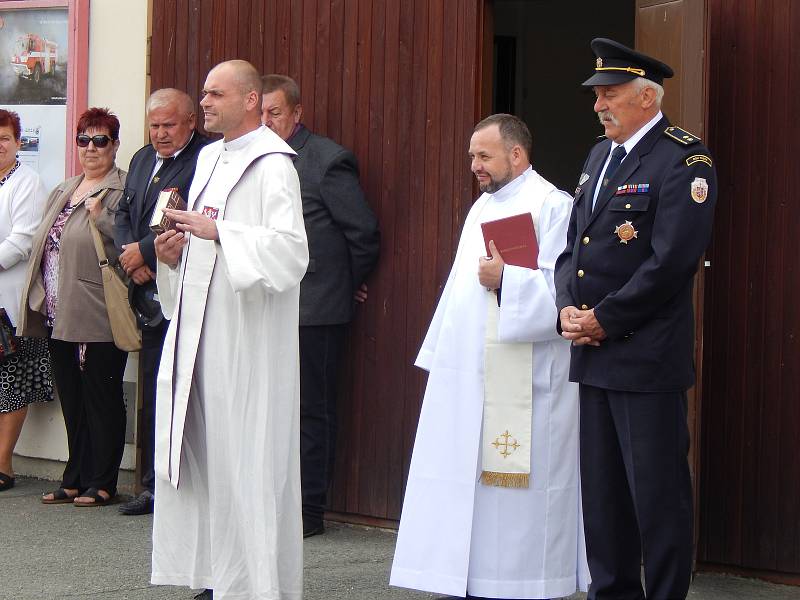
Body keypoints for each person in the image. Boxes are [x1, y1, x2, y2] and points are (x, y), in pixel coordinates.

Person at [391, 114, 588, 600]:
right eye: (472, 157)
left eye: (484, 156)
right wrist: (444, 357)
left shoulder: (552, 205)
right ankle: (480, 581)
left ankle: (530, 584)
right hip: (475, 376)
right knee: (474, 491)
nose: (475, 166)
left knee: (522, 497)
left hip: (530, 382)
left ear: (516, 154)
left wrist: (509, 283)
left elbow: (566, 292)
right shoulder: (483, 207)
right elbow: (461, 290)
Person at [554, 38, 717, 600]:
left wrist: (604, 317)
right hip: (593, 354)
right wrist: (566, 308)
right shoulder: (600, 156)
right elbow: (575, 244)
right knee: (602, 498)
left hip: (644, 356)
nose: (600, 105)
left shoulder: (683, 158)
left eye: (611, 93)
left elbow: (671, 262)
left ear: (647, 97)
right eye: (597, 95)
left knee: (657, 496)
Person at [150, 60, 307, 600]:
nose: (205, 101)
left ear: (249, 100)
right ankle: (213, 578)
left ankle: (254, 586)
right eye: (204, 91)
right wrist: (173, 258)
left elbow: (290, 254)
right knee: (206, 457)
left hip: (247, 339)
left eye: (216, 93)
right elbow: (200, 244)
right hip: (200, 333)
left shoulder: (274, 165)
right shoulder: (210, 158)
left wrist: (220, 232)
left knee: (245, 458)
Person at [261, 74, 380, 538]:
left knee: (312, 410)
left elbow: (363, 233)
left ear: (296, 114)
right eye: (262, 114)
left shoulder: (327, 161)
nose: (268, 122)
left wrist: (344, 284)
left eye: (276, 113)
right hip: (267, 305)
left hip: (315, 310)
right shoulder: (258, 161)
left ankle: (309, 511)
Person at [18, 107, 129, 507]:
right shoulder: (65, 188)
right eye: (84, 140)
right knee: (72, 397)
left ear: (115, 145)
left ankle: (103, 481)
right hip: (56, 309)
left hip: (97, 309)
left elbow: (128, 250)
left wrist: (101, 220)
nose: (91, 148)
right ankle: (74, 476)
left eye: (100, 140)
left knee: (101, 395)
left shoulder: (122, 191)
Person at [114, 88, 210, 516]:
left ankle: (176, 485)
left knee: (181, 394)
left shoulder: (205, 159)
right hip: (144, 293)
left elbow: (194, 218)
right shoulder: (140, 159)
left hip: (180, 291)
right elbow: (122, 214)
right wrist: (129, 255)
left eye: (169, 124)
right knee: (154, 390)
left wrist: (147, 253)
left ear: (191, 121)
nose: (160, 133)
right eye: (154, 125)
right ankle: (153, 485)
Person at [0, 109, 53, 492]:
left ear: (18, 143)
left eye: (4, 138)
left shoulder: (28, 182)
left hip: (10, 301)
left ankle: (4, 466)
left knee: (11, 383)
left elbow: (22, 240)